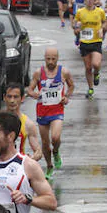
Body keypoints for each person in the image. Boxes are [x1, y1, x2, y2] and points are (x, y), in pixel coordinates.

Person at [28, 48, 74, 182]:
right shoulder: (38, 73)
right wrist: (33, 94)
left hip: (57, 111)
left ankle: (56, 151)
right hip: (42, 111)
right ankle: (49, 165)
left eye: (53, 59)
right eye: (48, 59)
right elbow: (30, 89)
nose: (50, 62)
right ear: (44, 58)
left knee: (55, 137)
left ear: (57, 58)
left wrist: (66, 97)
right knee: (45, 143)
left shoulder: (63, 72)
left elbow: (71, 86)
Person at [74, 0, 107, 99]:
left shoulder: (100, 11)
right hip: (84, 42)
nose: (89, 1)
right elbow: (74, 25)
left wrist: (102, 29)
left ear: (94, 1)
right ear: (85, 1)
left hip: (96, 41)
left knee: (96, 64)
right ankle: (90, 88)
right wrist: (77, 27)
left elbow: (105, 22)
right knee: (88, 67)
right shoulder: (80, 12)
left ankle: (97, 73)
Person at [2, 83, 41, 160]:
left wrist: (31, 159)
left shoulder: (28, 124)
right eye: (9, 97)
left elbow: (38, 151)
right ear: (4, 98)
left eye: (16, 97)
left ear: (22, 98)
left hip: (18, 166)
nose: (12, 101)